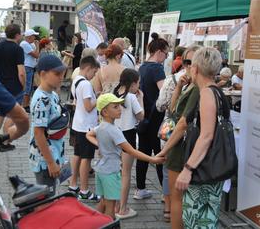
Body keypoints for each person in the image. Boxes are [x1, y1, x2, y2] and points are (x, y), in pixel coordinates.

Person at [159, 47, 226, 228]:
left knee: (198, 218)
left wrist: (187, 169)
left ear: (196, 68)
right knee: (206, 216)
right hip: (212, 165)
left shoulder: (205, 93)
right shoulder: (216, 91)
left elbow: (206, 135)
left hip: (202, 166)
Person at [86, 93, 164, 219]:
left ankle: (93, 223)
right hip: (111, 172)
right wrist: (152, 159)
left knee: (103, 202)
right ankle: (108, 225)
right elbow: (131, 151)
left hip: (101, 170)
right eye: (115, 107)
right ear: (105, 112)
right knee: (110, 207)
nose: (120, 109)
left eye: (119, 106)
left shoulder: (101, 126)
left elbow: (88, 135)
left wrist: (100, 145)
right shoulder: (114, 130)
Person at [156, 45, 201, 228]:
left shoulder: (198, 87)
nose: (188, 66)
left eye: (191, 63)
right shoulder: (187, 84)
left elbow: (182, 123)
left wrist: (163, 151)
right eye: (185, 62)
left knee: (178, 198)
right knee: (177, 197)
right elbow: (172, 111)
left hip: (182, 145)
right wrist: (179, 87)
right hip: (177, 144)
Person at [134, 32, 168, 200]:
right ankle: (165, 192)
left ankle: (140, 188)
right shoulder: (157, 69)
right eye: (166, 53)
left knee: (144, 153)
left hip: (143, 116)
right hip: (157, 117)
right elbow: (164, 93)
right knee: (161, 154)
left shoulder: (142, 67)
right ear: (159, 51)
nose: (166, 57)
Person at [28, 55, 67, 196]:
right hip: (45, 158)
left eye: (63, 74)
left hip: (53, 153)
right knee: (47, 200)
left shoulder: (52, 94)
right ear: (43, 74)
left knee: (50, 195)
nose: (61, 77)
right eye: (57, 74)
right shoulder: (42, 100)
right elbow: (38, 134)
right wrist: (50, 162)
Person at [113, 69, 144, 219]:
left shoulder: (113, 93)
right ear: (133, 83)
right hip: (127, 136)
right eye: (138, 83)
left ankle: (117, 205)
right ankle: (123, 208)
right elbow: (141, 116)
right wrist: (141, 99)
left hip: (114, 135)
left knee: (117, 173)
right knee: (126, 174)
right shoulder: (131, 97)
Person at [68, 56, 100, 200]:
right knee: (86, 158)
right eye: (94, 72)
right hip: (86, 126)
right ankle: (84, 190)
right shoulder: (86, 84)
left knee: (77, 155)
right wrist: (99, 99)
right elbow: (88, 107)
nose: (94, 75)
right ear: (88, 68)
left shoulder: (76, 80)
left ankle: (73, 184)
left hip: (78, 124)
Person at [0, 24, 26, 152]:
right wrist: (23, 85)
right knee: (12, 115)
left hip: (0, 84)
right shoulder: (18, 49)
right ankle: (5, 142)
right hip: (14, 86)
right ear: (18, 35)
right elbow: (21, 72)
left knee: (0, 114)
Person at [20, 29, 40, 113]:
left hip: (31, 67)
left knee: (29, 87)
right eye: (33, 36)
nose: (35, 38)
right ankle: (25, 105)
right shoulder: (24, 44)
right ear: (29, 37)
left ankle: (26, 104)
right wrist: (38, 46)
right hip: (27, 67)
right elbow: (36, 55)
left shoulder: (30, 44)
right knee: (27, 87)